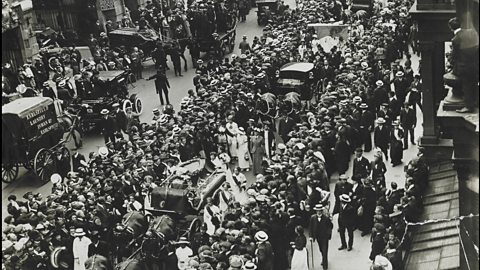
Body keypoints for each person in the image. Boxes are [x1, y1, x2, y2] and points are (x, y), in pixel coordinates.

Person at [309, 204, 333, 270]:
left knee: (325, 251)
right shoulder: (312, 218)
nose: (319, 212)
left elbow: (330, 226)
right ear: (316, 211)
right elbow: (310, 227)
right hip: (318, 238)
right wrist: (311, 236)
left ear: (322, 211)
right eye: (317, 211)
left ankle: (325, 267)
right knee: (321, 250)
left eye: (320, 211)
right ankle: (323, 259)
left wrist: (328, 234)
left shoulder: (326, 218)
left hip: (325, 238)